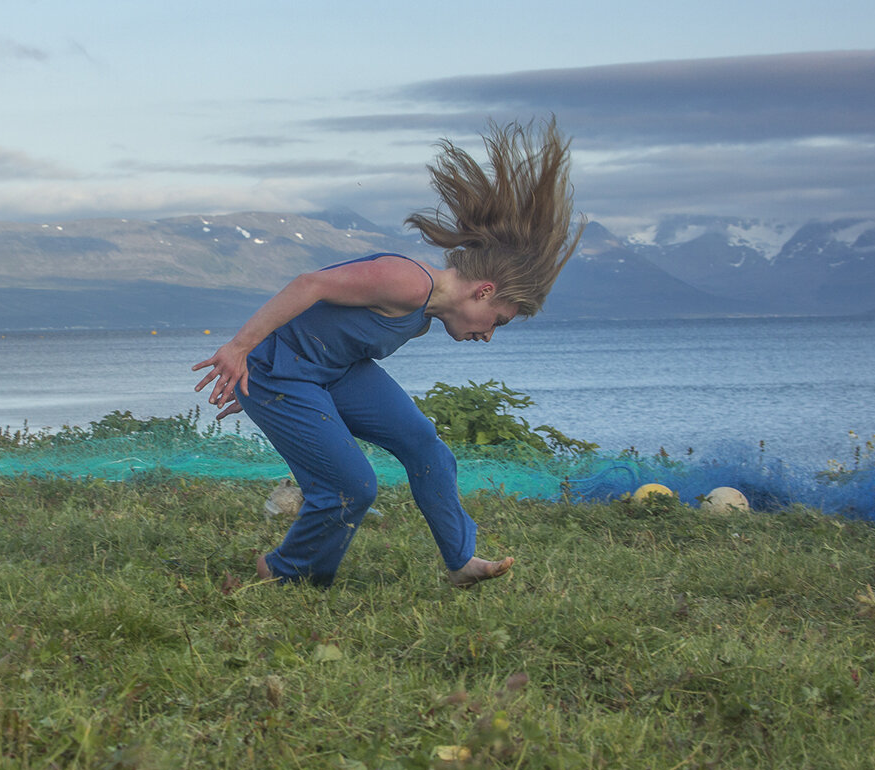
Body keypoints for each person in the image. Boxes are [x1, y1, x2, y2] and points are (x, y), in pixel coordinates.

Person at [192, 119, 582, 588]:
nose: (488, 336)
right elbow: (308, 285)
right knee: (351, 487)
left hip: (328, 373)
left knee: (425, 445)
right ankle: (284, 573)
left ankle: (460, 562)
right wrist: (242, 353)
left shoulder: (421, 318)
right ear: (483, 291)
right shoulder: (407, 281)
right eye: (498, 320)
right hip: (284, 376)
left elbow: (329, 335)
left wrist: (272, 393)